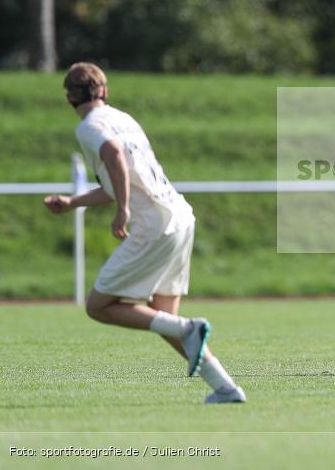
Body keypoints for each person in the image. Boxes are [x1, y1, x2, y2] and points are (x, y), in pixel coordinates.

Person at [44, 62, 246, 403]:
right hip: (180, 217)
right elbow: (119, 178)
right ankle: (225, 388)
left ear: (68, 99)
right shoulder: (123, 118)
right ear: (105, 91)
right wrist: (74, 202)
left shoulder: (90, 127)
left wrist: (123, 209)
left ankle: (189, 330)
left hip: (154, 225)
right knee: (162, 316)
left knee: (98, 306)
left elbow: (114, 155)